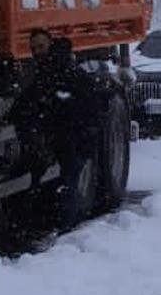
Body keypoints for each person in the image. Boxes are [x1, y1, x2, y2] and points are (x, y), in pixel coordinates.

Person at [7, 30, 100, 228]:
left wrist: (83, 129)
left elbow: (86, 101)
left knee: (68, 181)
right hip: (63, 135)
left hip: (73, 135)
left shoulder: (63, 70)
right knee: (61, 180)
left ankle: (67, 229)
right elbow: (32, 96)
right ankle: (61, 222)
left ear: (50, 43)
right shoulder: (48, 69)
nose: (37, 52)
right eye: (33, 49)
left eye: (41, 46)